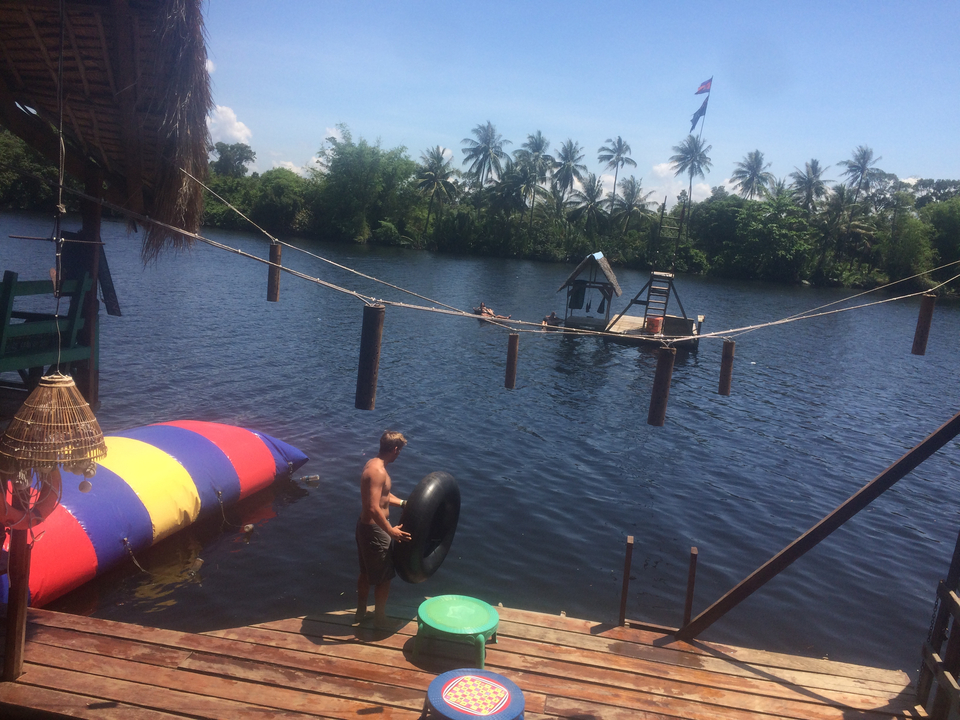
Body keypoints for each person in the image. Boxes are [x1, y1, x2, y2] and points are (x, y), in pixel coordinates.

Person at [356, 430, 411, 628]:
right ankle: (380, 620)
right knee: (384, 578)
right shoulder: (378, 472)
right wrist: (390, 530)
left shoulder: (373, 464)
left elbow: (383, 497)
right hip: (375, 531)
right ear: (395, 449)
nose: (399, 455)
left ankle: (361, 613)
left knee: (365, 573)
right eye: (400, 452)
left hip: (365, 528)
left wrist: (404, 503)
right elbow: (373, 507)